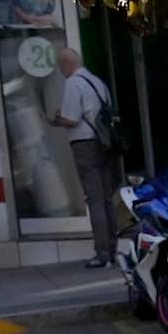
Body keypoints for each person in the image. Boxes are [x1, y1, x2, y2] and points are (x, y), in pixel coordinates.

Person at [50, 42, 122, 266]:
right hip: (104, 144)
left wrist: (54, 120)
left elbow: (72, 119)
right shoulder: (98, 82)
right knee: (107, 199)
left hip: (85, 145)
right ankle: (112, 249)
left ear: (66, 64)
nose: (61, 71)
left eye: (61, 67)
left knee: (95, 200)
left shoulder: (73, 83)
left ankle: (102, 255)